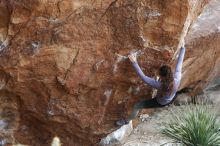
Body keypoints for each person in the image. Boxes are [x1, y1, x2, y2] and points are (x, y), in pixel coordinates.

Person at [116, 47, 186, 126]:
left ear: (161, 76)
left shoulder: (159, 85)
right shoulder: (177, 78)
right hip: (170, 97)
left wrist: (134, 62)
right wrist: (183, 48)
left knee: (137, 106)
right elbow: (179, 63)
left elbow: (143, 77)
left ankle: (126, 121)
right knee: (165, 92)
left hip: (160, 102)